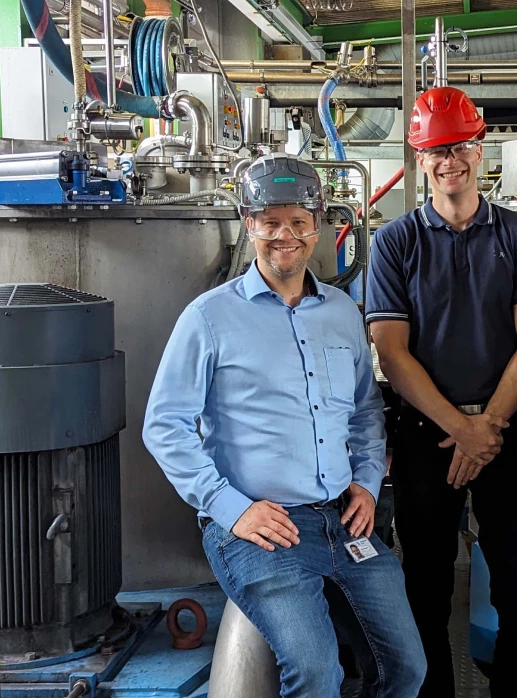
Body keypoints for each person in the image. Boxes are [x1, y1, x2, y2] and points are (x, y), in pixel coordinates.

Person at [143, 154, 426, 697]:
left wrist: (366, 483)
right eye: (270, 221)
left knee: (408, 669)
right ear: (248, 223)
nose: (285, 235)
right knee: (317, 674)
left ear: (318, 224)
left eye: (298, 220)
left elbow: (365, 410)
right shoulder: (208, 317)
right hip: (261, 527)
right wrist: (233, 508)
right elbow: (165, 425)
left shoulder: (343, 310)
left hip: (344, 520)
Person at [366, 86, 517, 698]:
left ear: (481, 149)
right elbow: (392, 352)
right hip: (424, 434)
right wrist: (460, 427)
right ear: (421, 158)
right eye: (437, 150)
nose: (451, 160)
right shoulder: (395, 241)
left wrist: (486, 427)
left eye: (462, 146)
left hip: (504, 434)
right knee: (425, 590)